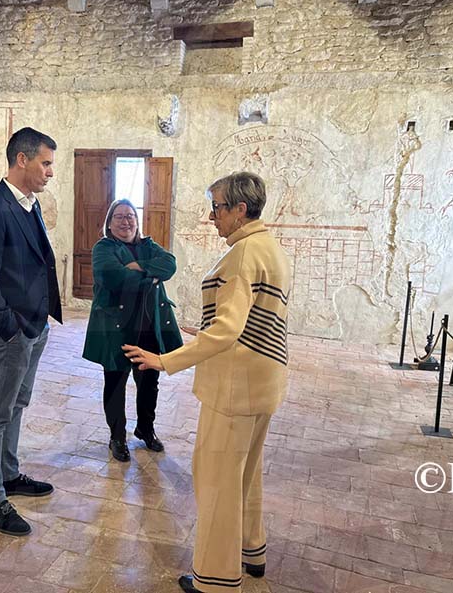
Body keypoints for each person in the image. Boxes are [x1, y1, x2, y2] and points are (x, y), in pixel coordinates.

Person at [123, 172, 292, 593]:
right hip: (263, 380)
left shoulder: (241, 255)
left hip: (234, 388)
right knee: (246, 474)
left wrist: (165, 360)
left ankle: (216, 579)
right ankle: (251, 551)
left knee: (217, 483)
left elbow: (227, 330)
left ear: (240, 209)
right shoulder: (270, 247)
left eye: (217, 207)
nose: (211, 216)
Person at [0, 127, 62, 537]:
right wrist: (9, 328)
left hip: (34, 326)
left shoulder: (28, 204)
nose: (50, 172)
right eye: (46, 163)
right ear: (22, 160)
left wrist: (39, 322)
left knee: (17, 403)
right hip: (10, 332)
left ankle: (8, 474)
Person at [83, 199, 182, 462]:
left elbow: (170, 264)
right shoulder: (103, 248)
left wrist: (138, 267)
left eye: (130, 216)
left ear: (137, 221)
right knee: (115, 382)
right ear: (109, 223)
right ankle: (117, 436)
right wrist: (151, 275)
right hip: (117, 326)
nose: (125, 221)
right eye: (119, 216)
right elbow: (112, 276)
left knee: (149, 382)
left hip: (148, 325)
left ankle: (145, 429)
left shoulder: (148, 245)